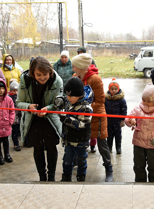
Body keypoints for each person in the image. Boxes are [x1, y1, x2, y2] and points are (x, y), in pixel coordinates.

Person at [16, 56, 63, 181]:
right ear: (32, 73)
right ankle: (42, 177)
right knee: (37, 148)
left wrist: (49, 108)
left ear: (50, 72)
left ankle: (51, 177)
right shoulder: (25, 80)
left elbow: (60, 102)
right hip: (33, 120)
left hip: (50, 120)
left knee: (52, 147)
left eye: (45, 74)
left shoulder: (57, 81)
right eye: (38, 75)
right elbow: (19, 102)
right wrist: (29, 106)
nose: (42, 77)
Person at [71, 53, 113, 182]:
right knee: (78, 142)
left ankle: (108, 169)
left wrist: (84, 109)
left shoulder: (95, 79)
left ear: (81, 67)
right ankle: (77, 164)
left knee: (102, 145)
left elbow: (100, 101)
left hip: (96, 117)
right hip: (81, 116)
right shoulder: (75, 77)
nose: (72, 69)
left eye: (74, 66)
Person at [125, 83, 154, 182]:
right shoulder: (138, 108)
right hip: (138, 142)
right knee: (138, 164)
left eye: (148, 101)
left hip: (152, 144)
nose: (145, 103)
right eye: (143, 100)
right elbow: (128, 117)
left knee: (153, 165)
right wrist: (130, 120)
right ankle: (139, 181)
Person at [54, 77, 94, 182]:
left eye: (71, 95)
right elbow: (63, 100)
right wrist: (59, 100)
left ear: (79, 95)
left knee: (81, 160)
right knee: (67, 159)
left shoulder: (86, 108)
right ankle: (66, 176)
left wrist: (65, 118)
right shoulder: (70, 100)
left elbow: (81, 124)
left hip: (80, 141)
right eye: (67, 95)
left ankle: (81, 176)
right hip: (68, 139)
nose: (68, 98)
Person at [105, 78, 127, 154]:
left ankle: (118, 147)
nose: (114, 90)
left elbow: (124, 110)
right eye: (112, 89)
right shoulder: (106, 99)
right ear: (109, 89)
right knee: (109, 135)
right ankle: (109, 147)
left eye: (115, 89)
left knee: (118, 135)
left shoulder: (121, 99)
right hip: (108, 121)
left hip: (117, 121)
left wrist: (123, 120)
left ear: (118, 89)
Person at [8, 80, 21, 151]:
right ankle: (16, 144)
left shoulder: (20, 96)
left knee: (22, 129)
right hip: (14, 118)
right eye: (14, 91)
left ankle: (26, 142)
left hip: (20, 116)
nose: (15, 92)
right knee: (14, 131)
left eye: (17, 91)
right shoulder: (9, 98)